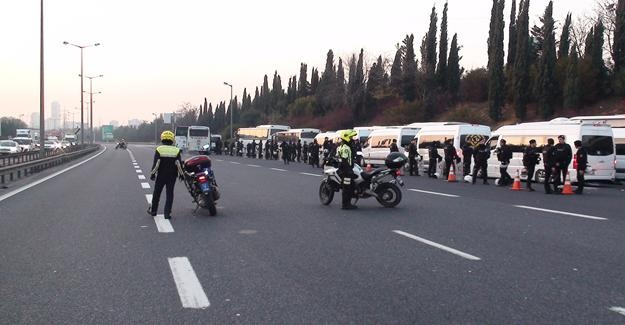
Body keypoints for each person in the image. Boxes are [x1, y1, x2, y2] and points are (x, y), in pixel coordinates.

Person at [147, 131, 184, 220]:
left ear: (162, 139)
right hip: (172, 176)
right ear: (172, 140)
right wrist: (181, 175)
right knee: (170, 194)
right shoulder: (176, 150)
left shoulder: (159, 149)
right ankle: (167, 213)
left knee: (157, 193)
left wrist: (152, 174)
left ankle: (153, 211)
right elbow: (178, 164)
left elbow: (157, 164)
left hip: (161, 175)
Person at [337, 130, 358, 210]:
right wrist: (348, 170)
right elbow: (344, 160)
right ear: (346, 137)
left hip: (346, 169)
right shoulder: (346, 148)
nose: (352, 138)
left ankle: (347, 203)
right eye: (351, 137)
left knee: (349, 186)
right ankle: (345, 205)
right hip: (346, 170)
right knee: (347, 187)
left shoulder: (343, 146)